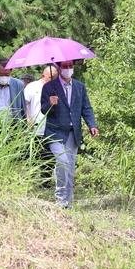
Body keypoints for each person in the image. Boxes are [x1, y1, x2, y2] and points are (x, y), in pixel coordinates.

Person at [41, 60, 98, 209]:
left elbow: (86, 108)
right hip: (55, 132)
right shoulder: (49, 87)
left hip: (73, 133)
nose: (68, 69)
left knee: (70, 166)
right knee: (62, 161)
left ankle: (68, 201)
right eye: (65, 66)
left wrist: (91, 125)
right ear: (59, 68)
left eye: (71, 66)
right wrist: (50, 103)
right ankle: (60, 198)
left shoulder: (80, 86)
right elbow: (43, 110)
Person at [25, 66, 58, 186]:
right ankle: (32, 180)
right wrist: (28, 119)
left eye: (55, 77)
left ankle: (46, 182)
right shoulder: (32, 87)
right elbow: (24, 104)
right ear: (43, 76)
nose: (53, 79)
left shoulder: (57, 87)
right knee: (34, 156)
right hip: (35, 127)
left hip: (51, 127)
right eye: (51, 77)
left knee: (49, 157)